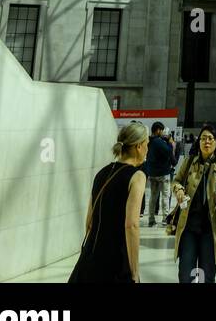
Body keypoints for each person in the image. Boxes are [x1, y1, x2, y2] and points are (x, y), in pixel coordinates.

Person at [69, 120, 147, 283]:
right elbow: (131, 225)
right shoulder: (137, 177)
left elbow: (89, 221)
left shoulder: (102, 173)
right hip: (116, 261)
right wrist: (134, 271)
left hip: (90, 259)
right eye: (147, 143)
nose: (148, 149)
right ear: (138, 146)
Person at [171, 123, 216, 283]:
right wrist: (179, 190)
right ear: (198, 142)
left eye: (210, 139)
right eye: (203, 138)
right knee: (185, 273)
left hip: (210, 228)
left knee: (207, 273)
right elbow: (176, 181)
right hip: (189, 227)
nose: (207, 142)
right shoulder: (189, 162)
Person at [144, 121, 175, 227]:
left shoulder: (148, 141)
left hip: (152, 173)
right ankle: (165, 218)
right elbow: (168, 152)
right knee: (165, 196)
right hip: (163, 173)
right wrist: (170, 143)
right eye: (161, 131)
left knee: (153, 197)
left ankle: (151, 219)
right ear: (158, 130)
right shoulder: (158, 141)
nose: (162, 133)